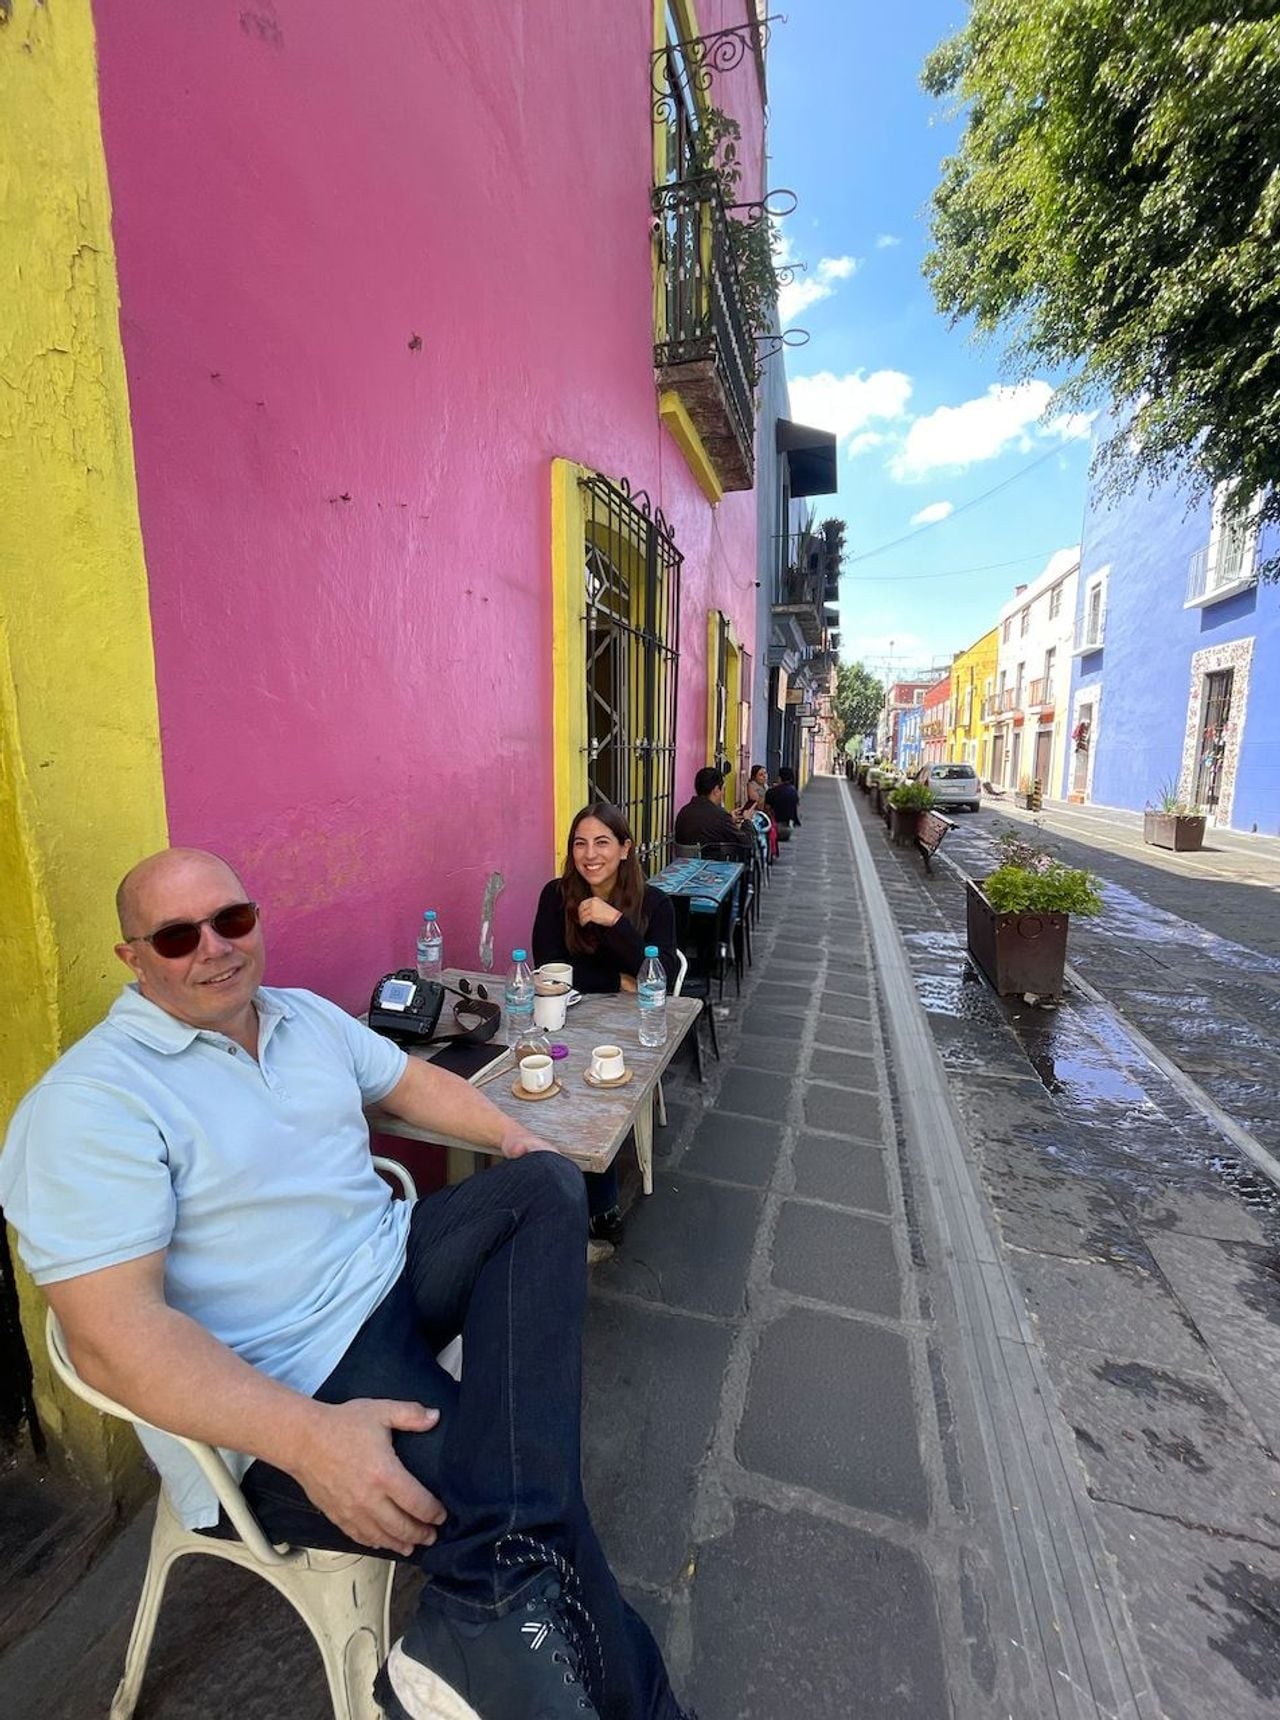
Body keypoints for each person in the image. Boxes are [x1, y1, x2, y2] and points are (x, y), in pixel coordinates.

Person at [0, 848, 688, 1720]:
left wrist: (519, 1141)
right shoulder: (91, 1103)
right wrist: (306, 1438)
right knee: (536, 1522)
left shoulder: (301, 1017)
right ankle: (612, 1682)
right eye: (177, 937)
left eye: (232, 920)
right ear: (131, 957)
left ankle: (486, 1601)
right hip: (293, 1375)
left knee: (548, 1184)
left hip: (387, 1265)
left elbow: (410, 1083)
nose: (215, 947)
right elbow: (111, 1340)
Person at [531, 804, 678, 1260]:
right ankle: (574, 1196)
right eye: (580, 843)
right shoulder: (556, 896)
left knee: (600, 1078)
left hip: (631, 1031)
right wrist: (617, 979)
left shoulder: (655, 905)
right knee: (550, 1075)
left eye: (602, 843)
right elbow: (550, 971)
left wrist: (615, 922)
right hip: (570, 1020)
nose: (590, 855)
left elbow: (660, 978)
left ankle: (600, 1202)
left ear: (625, 848)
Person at [672, 766, 755, 859]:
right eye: (723, 789)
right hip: (711, 865)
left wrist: (729, 819)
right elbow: (747, 843)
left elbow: (708, 826)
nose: (723, 793)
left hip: (684, 865)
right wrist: (747, 820)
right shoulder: (719, 816)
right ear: (716, 790)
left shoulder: (683, 812)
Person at [765, 766, 802, 831]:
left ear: (779, 778)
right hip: (790, 825)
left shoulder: (771, 792)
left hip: (775, 826)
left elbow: (767, 809)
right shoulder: (793, 791)